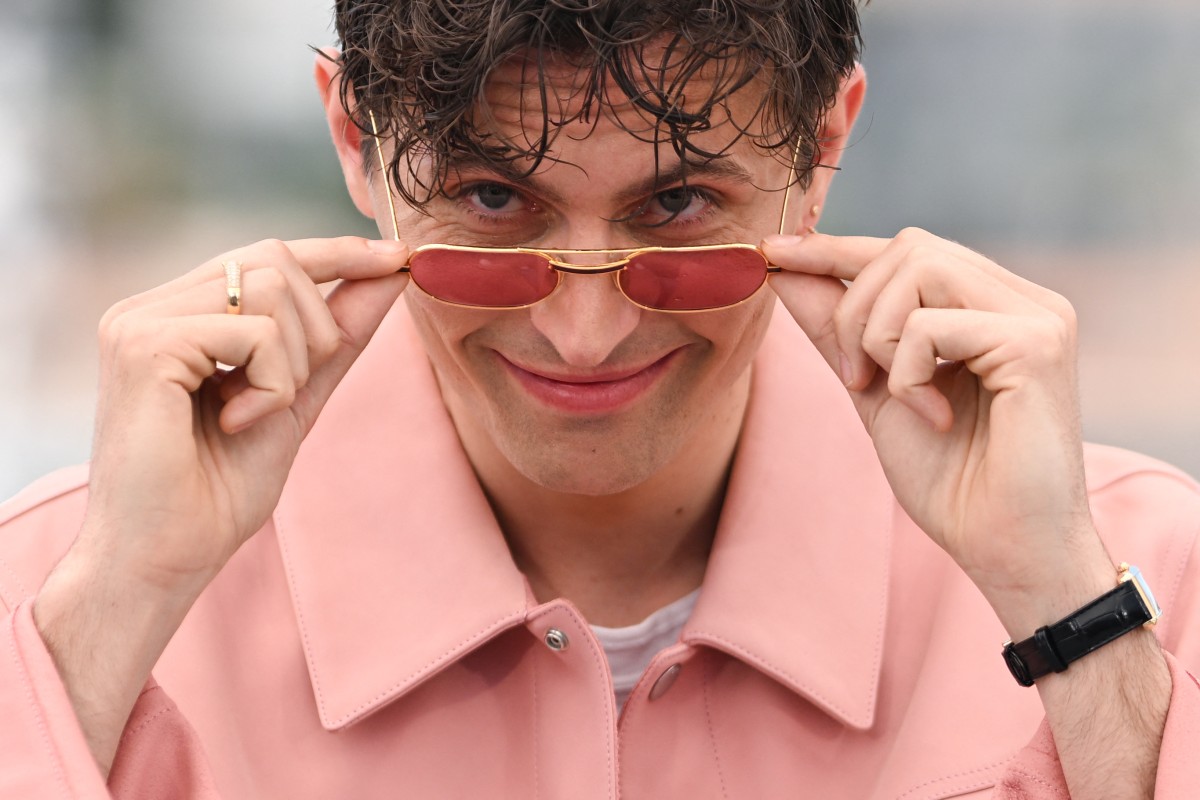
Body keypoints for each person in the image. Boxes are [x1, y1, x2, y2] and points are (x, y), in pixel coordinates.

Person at [1, 1, 1198, 797]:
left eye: (677, 208)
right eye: (491, 202)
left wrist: (1067, 613)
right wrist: (113, 614)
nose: (586, 331)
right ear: (354, 139)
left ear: (823, 147)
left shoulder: (1132, 573)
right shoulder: (66, 585)